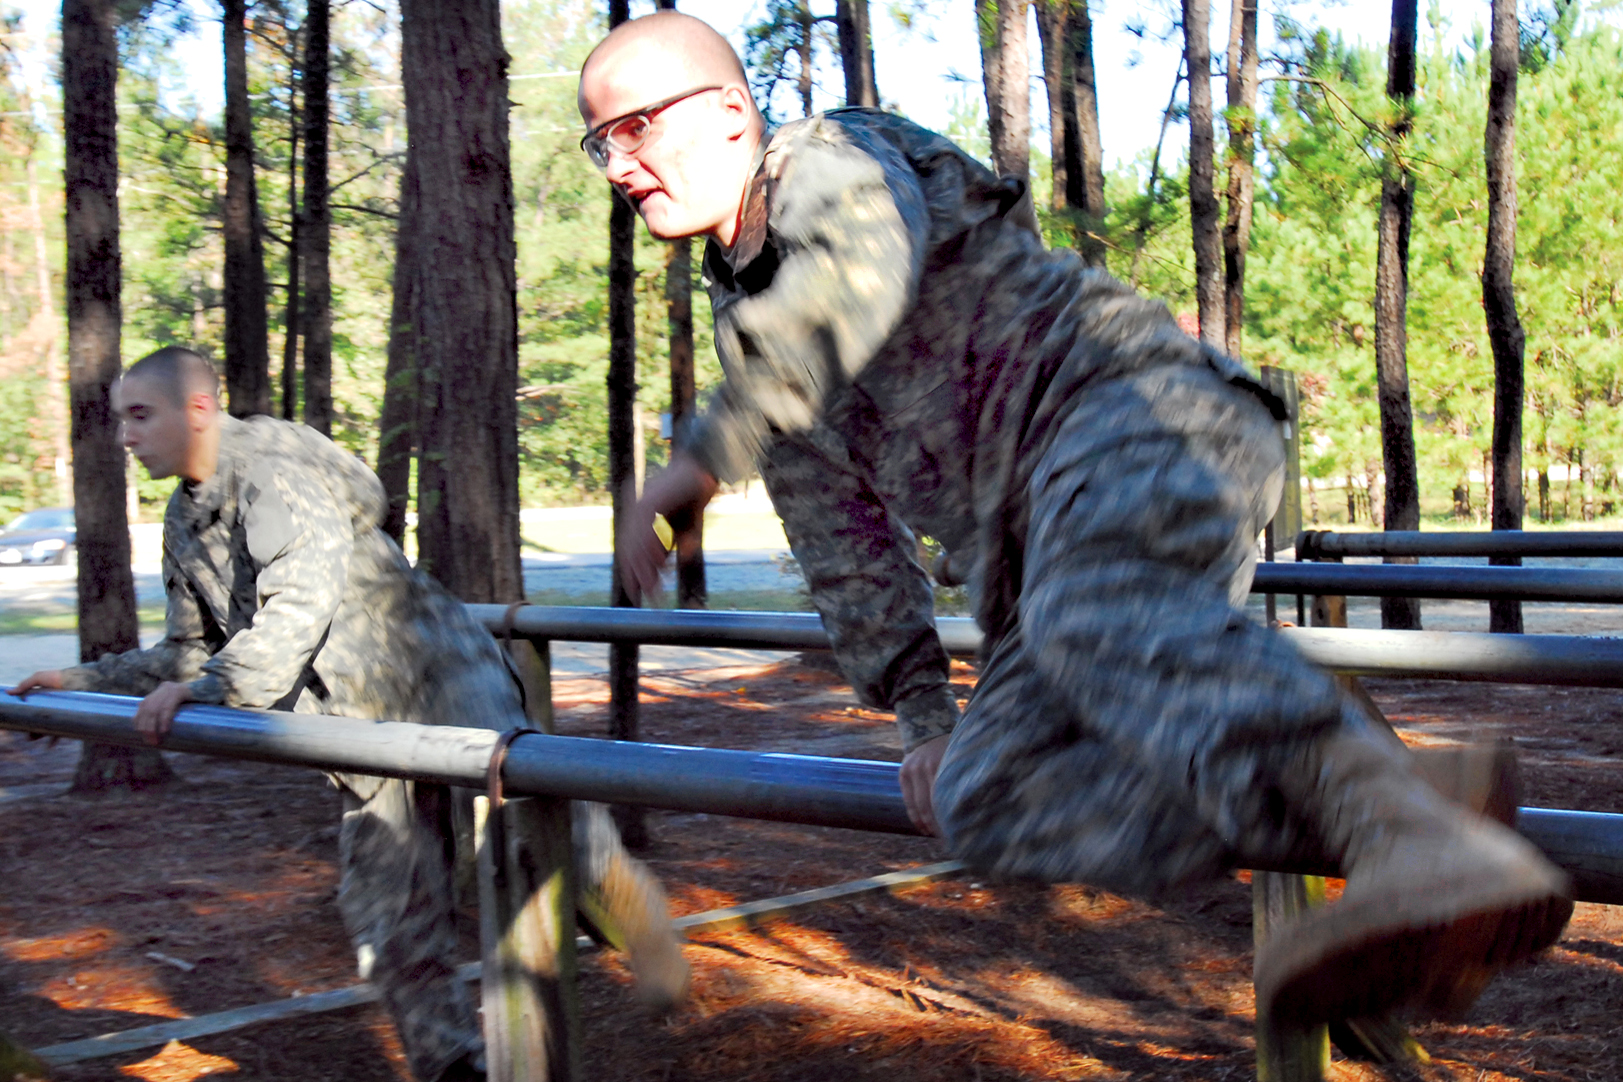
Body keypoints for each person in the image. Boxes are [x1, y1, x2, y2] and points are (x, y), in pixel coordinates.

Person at [580, 10, 1572, 1028]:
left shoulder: (831, 161)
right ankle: (1412, 797)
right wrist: (925, 713)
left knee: (1088, 611)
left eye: (639, 126)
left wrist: (697, 461)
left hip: (1138, 418)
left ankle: (1416, 846)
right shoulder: (748, 326)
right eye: (600, 142)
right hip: (1038, 565)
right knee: (987, 796)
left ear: (732, 112)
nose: (620, 163)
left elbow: (854, 280)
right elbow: (842, 536)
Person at [9, 348, 687, 1082]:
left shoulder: (273, 470)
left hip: (434, 672)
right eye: (120, 420)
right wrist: (80, 683)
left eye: (140, 416)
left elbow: (300, 602)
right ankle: (450, 1065)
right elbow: (188, 647)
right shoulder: (185, 519)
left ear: (197, 409)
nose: (125, 436)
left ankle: (630, 911)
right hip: (356, 720)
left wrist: (208, 688)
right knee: (387, 915)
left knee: (529, 820)